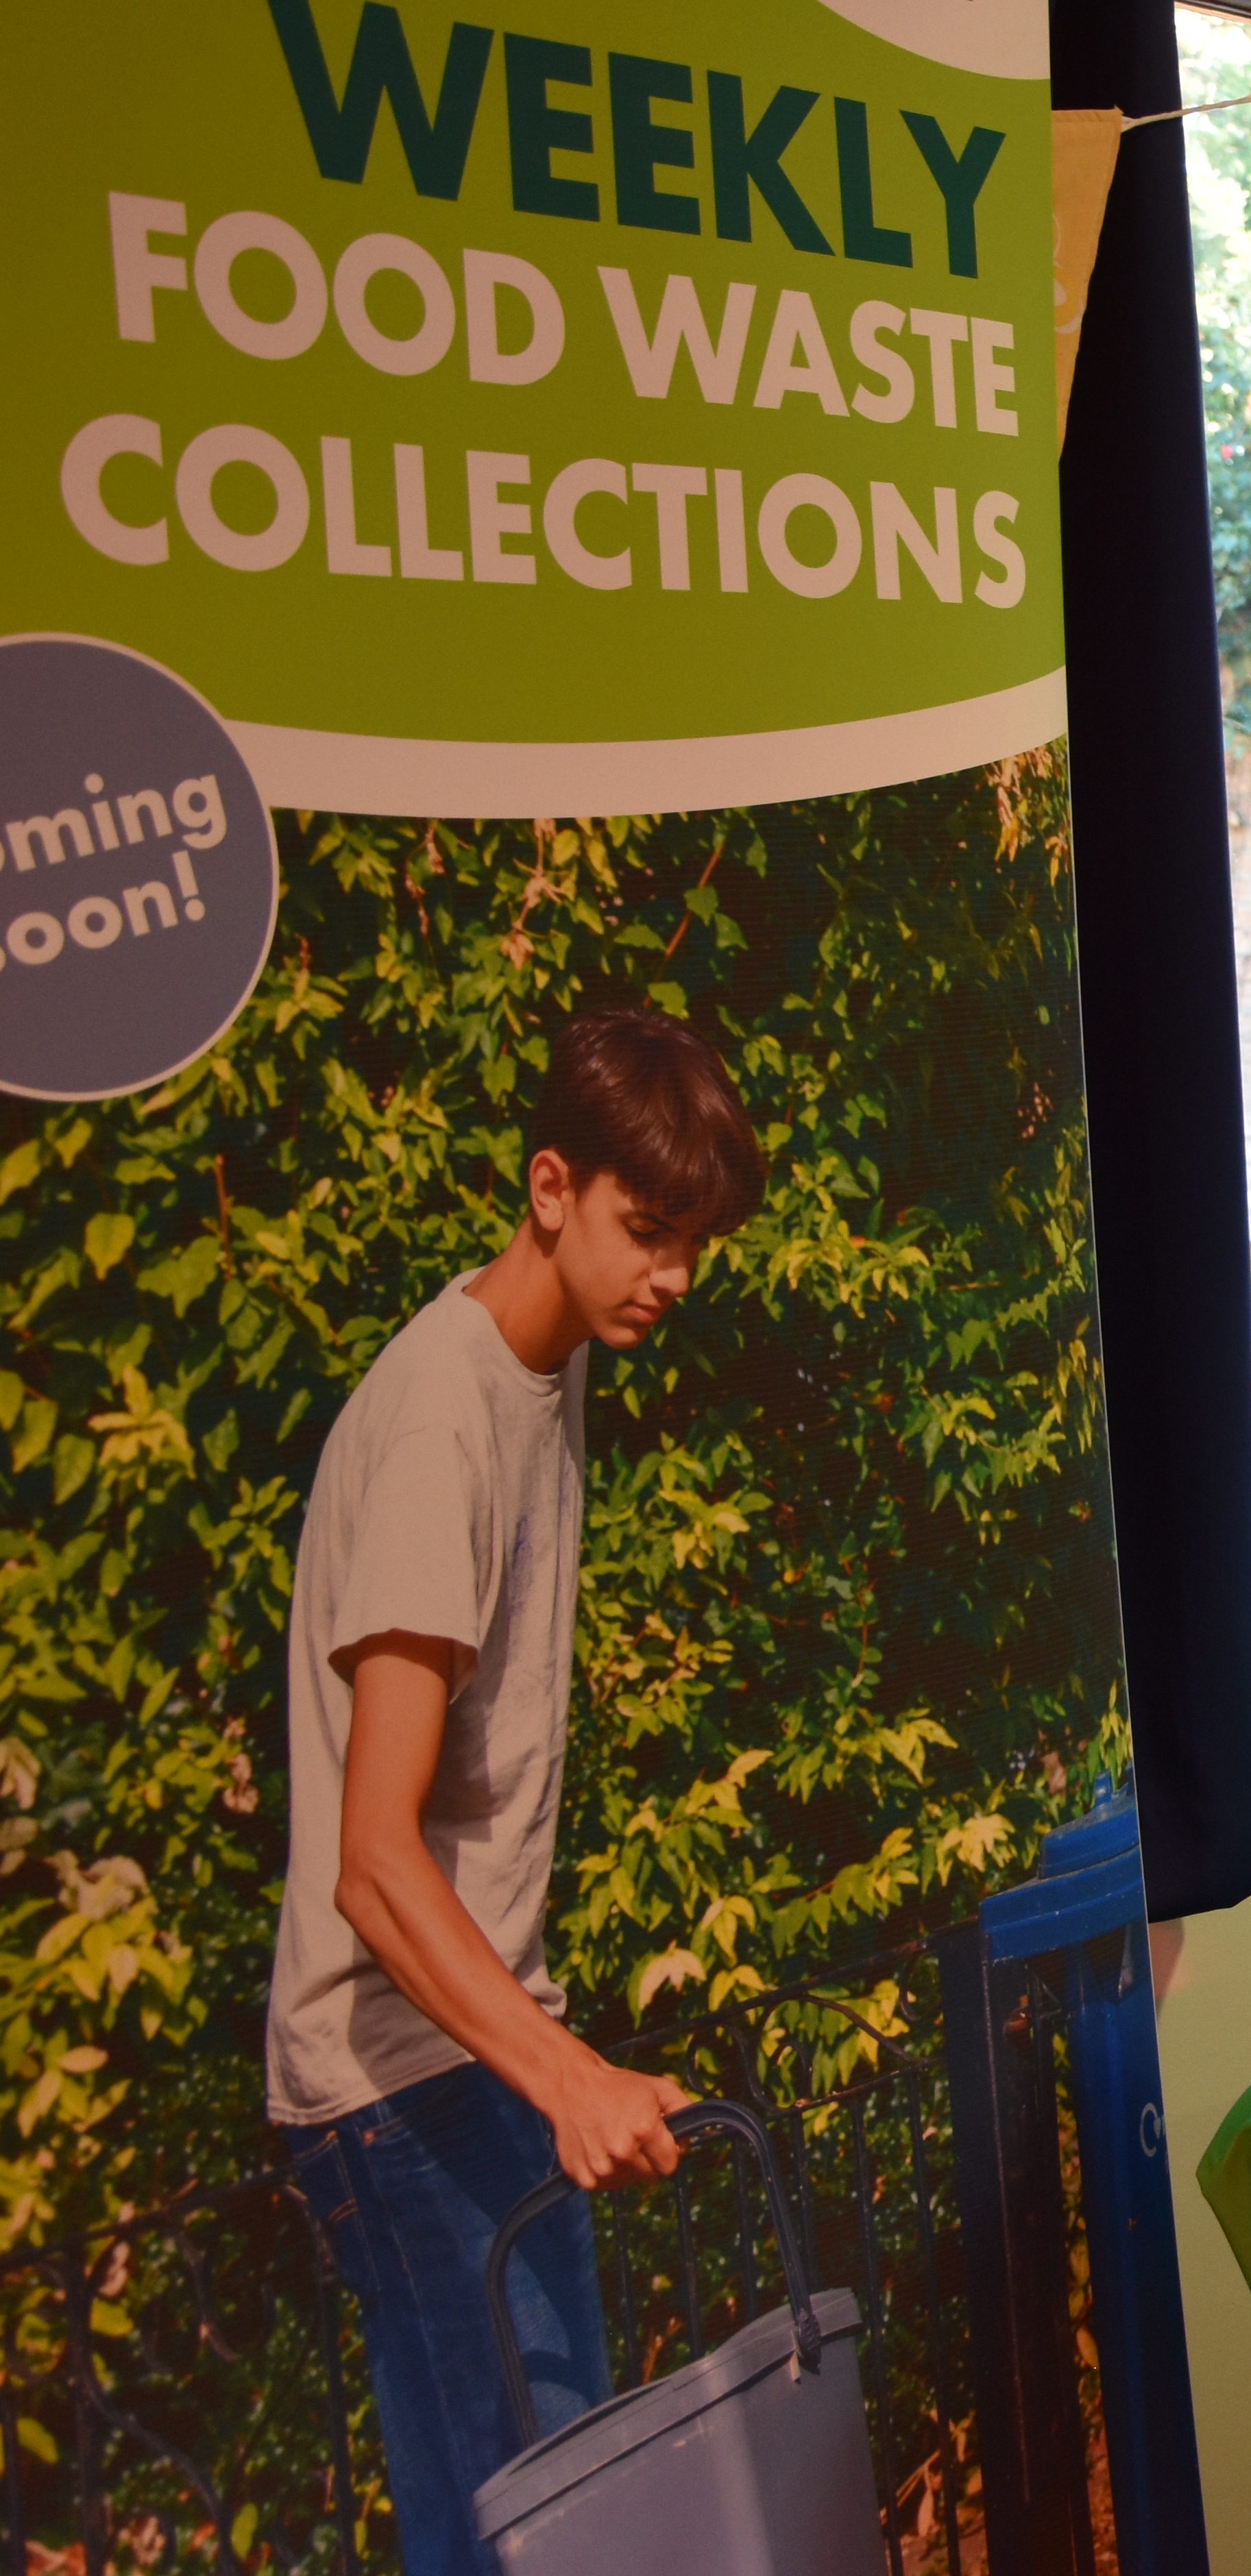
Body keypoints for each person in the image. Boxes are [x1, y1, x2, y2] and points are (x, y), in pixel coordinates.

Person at [268, 1007, 769, 2575]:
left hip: (467, 2056)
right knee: (526, 2545)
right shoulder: (442, 1424)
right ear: (551, 1186)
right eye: (644, 1228)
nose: (671, 1275)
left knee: (573, 2531)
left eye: (692, 1239)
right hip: (398, 2084)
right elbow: (371, 1861)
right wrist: (567, 2078)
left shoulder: (537, 1371)